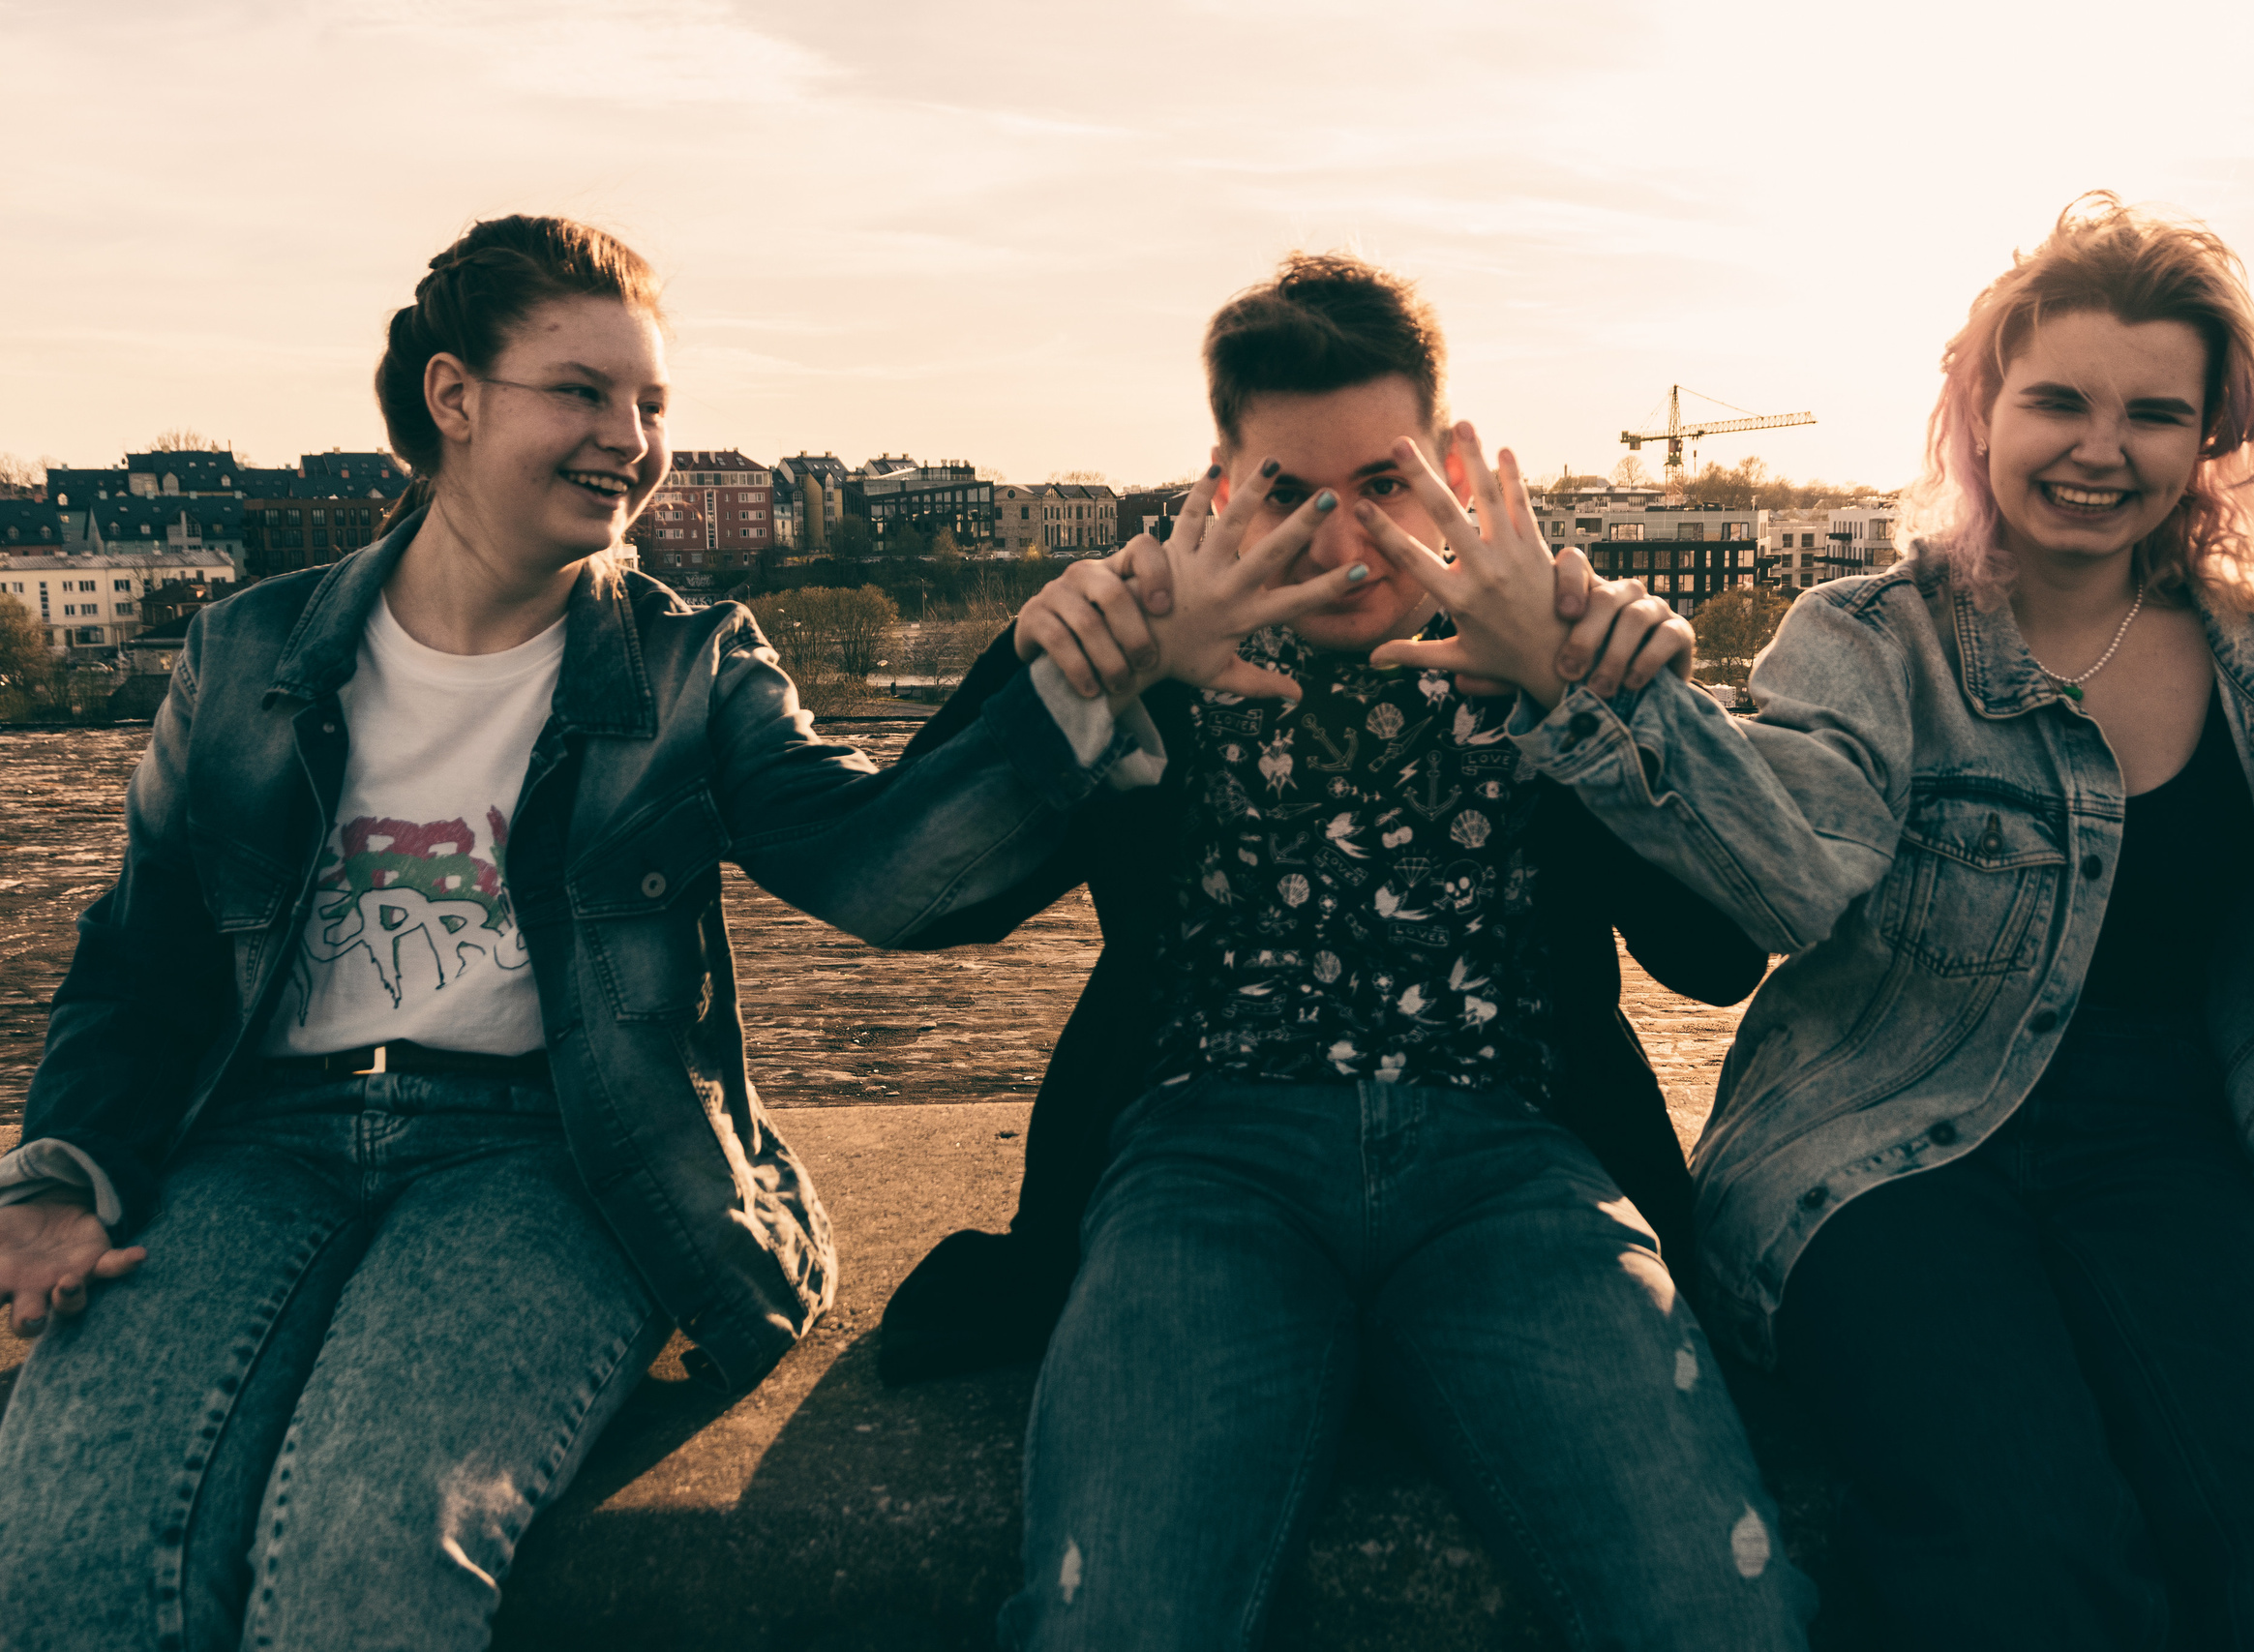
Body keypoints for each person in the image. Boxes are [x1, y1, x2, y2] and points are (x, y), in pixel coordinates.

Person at [0, 213, 1327, 1652]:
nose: (631, 438)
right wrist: (61, 1166)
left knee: (359, 1563)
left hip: (550, 1151)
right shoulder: (247, 651)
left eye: (652, 405)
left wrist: (1094, 690)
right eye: (582, 392)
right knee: (65, 1555)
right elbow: (141, 956)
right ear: (453, 398)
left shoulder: (693, 666)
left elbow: (886, 876)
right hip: (252, 1146)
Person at [1487, 194, 2254, 1648]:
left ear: (2212, 438)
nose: (2099, 446)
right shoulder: (1869, 638)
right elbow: (1786, 875)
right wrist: (1593, 689)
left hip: (2179, 1158)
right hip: (1885, 1154)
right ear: (1979, 411)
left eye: (2152, 412)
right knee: (2028, 1554)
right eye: (2058, 401)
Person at [881, 255, 1815, 1649]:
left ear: (1448, 464)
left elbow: (1718, 952)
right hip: (1203, 1164)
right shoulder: (1157, 642)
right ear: (1218, 484)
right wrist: (1060, 674)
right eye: (1285, 495)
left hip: (1519, 1170)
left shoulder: (1545, 632)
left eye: (1380, 485)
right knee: (1114, 1623)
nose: (1338, 542)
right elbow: (923, 896)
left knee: (1717, 1608)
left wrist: (1600, 702)